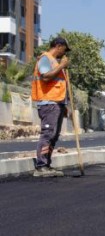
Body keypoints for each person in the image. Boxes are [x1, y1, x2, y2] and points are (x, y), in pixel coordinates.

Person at [30, 37, 71, 177]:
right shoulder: (45, 59)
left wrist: (64, 105)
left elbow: (59, 85)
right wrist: (62, 65)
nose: (64, 53)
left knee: (54, 135)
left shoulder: (54, 62)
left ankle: (46, 164)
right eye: (64, 49)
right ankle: (41, 166)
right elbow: (46, 77)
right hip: (48, 103)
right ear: (58, 46)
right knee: (47, 133)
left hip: (57, 103)